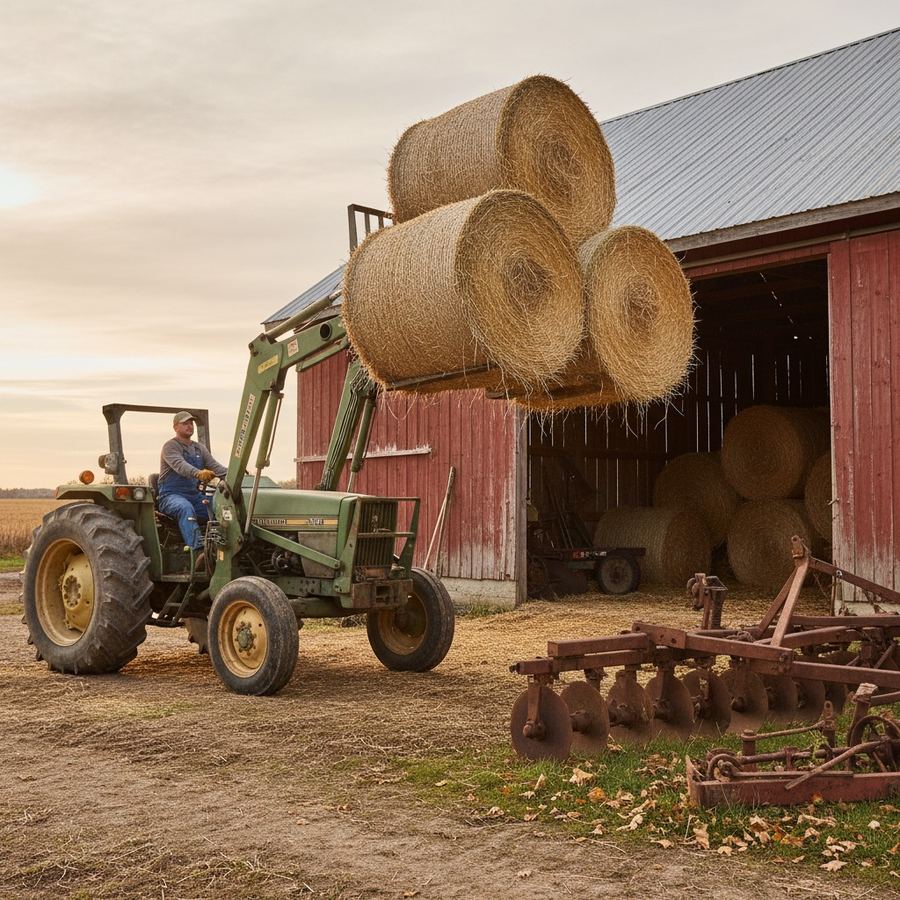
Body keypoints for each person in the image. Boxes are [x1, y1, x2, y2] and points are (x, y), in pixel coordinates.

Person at [157, 411, 227, 553]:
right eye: (185, 423)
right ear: (175, 427)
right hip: (170, 496)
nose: (189, 426)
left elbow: (216, 467)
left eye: (191, 423)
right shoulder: (170, 447)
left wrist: (234, 474)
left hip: (194, 496)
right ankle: (199, 550)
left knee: (220, 507)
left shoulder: (199, 448)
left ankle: (223, 547)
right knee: (185, 508)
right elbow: (180, 466)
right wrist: (198, 473)